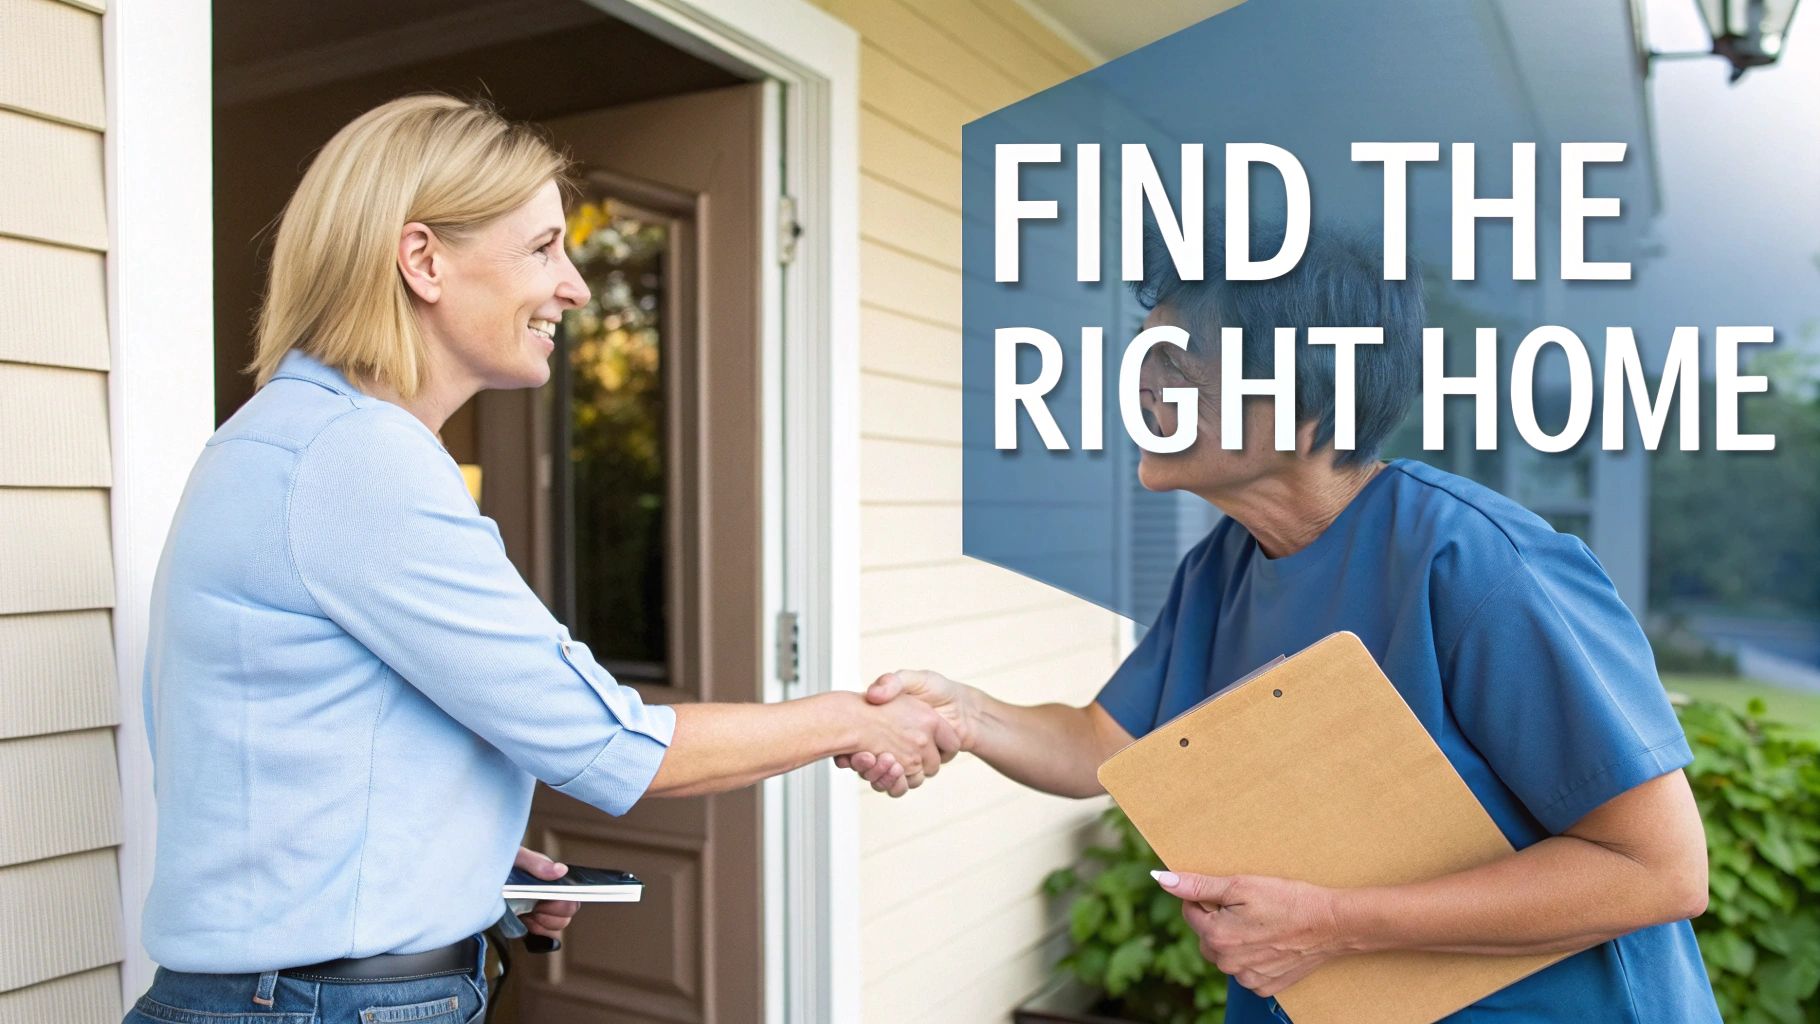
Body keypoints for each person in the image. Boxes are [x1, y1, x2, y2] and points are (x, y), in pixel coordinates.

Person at [125, 94, 956, 1024]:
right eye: (543, 248)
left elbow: (290, 751)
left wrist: (458, 857)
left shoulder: (286, 438)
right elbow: (610, 746)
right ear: (423, 260)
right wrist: (850, 718)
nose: (576, 286)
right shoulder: (358, 460)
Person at [847, 224, 1722, 1022]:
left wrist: (1330, 923)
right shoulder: (1222, 568)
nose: (1141, 394)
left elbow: (1659, 870)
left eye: (1176, 370)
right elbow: (1101, 745)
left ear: (1309, 397)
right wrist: (965, 713)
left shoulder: (1480, 565)